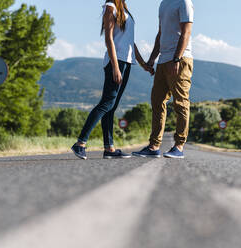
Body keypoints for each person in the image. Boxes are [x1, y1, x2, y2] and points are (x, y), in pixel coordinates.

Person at [72, 0, 153, 160]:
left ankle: (109, 148)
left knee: (112, 106)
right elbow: (109, 39)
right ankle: (80, 143)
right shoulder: (111, 7)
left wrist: (143, 63)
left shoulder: (124, 9)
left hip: (126, 61)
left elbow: (129, 41)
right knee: (107, 103)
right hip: (116, 61)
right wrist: (115, 67)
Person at [132, 0, 194, 159]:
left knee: (180, 102)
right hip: (163, 60)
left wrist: (177, 58)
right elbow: (161, 33)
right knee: (157, 101)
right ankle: (154, 146)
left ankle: (179, 146)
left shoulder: (184, 2)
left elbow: (186, 32)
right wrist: (152, 59)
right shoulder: (163, 3)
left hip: (179, 59)